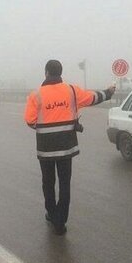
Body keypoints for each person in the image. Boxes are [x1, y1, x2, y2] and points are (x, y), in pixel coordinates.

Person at [24, 60, 115, 235]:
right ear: (61, 73)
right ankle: (61, 222)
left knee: (48, 183)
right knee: (65, 184)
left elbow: (29, 120)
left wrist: (44, 128)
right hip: (66, 146)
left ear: (46, 73)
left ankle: (51, 214)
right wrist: (109, 93)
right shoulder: (71, 91)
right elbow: (93, 98)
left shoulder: (36, 95)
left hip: (46, 147)